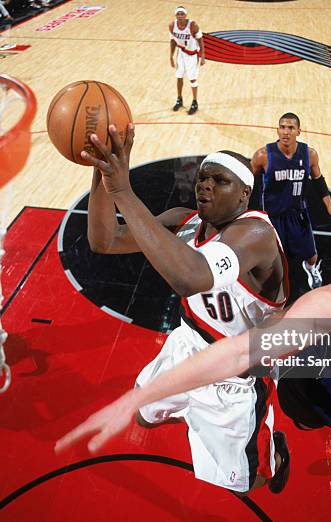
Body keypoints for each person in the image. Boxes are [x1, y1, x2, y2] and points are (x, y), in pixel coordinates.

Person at [56, 211, 331, 521]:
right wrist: (139, 394)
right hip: (320, 394)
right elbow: (240, 352)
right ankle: (279, 444)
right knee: (280, 390)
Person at [64, 123, 291, 494]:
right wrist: (102, 175)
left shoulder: (256, 235)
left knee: (246, 484)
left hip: (235, 370)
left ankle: (275, 455)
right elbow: (103, 240)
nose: (205, 184)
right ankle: (192, 409)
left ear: (244, 194)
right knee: (143, 415)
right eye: (203, 177)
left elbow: (192, 276)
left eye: (219, 180)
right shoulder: (182, 221)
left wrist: (123, 190)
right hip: (188, 342)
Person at [251, 113, 331, 294]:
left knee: (312, 255)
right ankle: (270, 285)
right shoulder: (263, 156)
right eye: (282, 127)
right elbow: (247, 182)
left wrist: (329, 205)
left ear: (298, 131)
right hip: (273, 216)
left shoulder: (309, 155)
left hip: (298, 214)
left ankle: (312, 270)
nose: (286, 132)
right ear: (277, 130)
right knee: (274, 260)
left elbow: (318, 180)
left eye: (290, 128)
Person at [169, 5, 205, 115]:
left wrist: (203, 56)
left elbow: (200, 40)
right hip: (181, 53)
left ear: (186, 15)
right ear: (176, 15)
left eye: (182, 14)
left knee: (192, 79)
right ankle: (179, 99)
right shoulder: (172, 25)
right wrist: (171, 56)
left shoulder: (193, 25)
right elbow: (173, 41)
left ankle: (195, 102)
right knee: (179, 76)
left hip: (192, 55)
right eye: (178, 14)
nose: (180, 16)